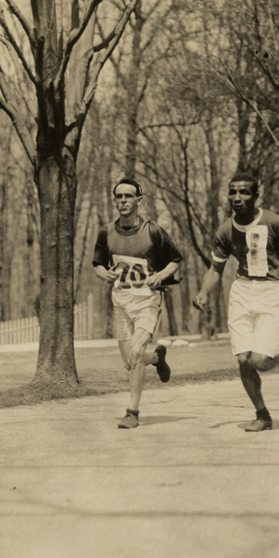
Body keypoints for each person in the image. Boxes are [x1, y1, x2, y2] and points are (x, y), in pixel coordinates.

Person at [193, 173, 279, 432]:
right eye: (232, 192)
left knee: (261, 362)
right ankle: (262, 415)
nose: (237, 198)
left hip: (271, 291)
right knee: (243, 359)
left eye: (243, 193)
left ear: (255, 196)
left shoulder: (275, 223)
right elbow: (215, 269)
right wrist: (204, 292)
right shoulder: (225, 230)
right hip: (241, 292)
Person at [93, 178, 183, 429]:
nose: (123, 201)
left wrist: (160, 275)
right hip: (121, 303)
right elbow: (98, 264)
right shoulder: (107, 232)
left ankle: (132, 412)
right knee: (129, 361)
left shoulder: (152, 230)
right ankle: (156, 358)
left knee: (134, 355)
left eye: (128, 196)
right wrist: (104, 274)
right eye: (118, 197)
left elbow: (176, 259)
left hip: (147, 302)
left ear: (138, 200)